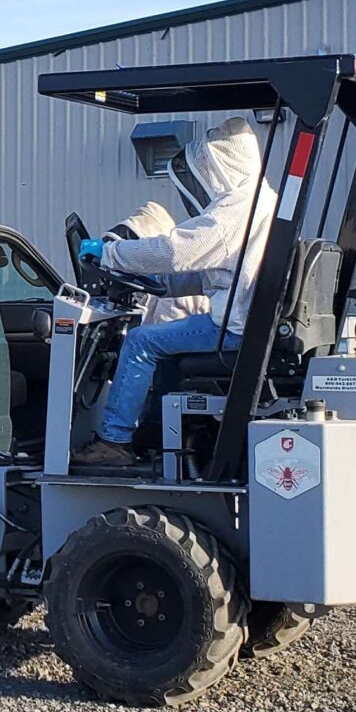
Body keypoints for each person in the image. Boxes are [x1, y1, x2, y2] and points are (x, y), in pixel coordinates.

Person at [71, 115, 272, 467]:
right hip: (248, 320)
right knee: (162, 344)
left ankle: (114, 440)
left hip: (234, 328)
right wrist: (162, 286)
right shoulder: (264, 201)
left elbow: (174, 252)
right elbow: (218, 273)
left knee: (140, 342)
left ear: (221, 164)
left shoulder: (236, 210)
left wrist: (110, 253)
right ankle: (154, 431)